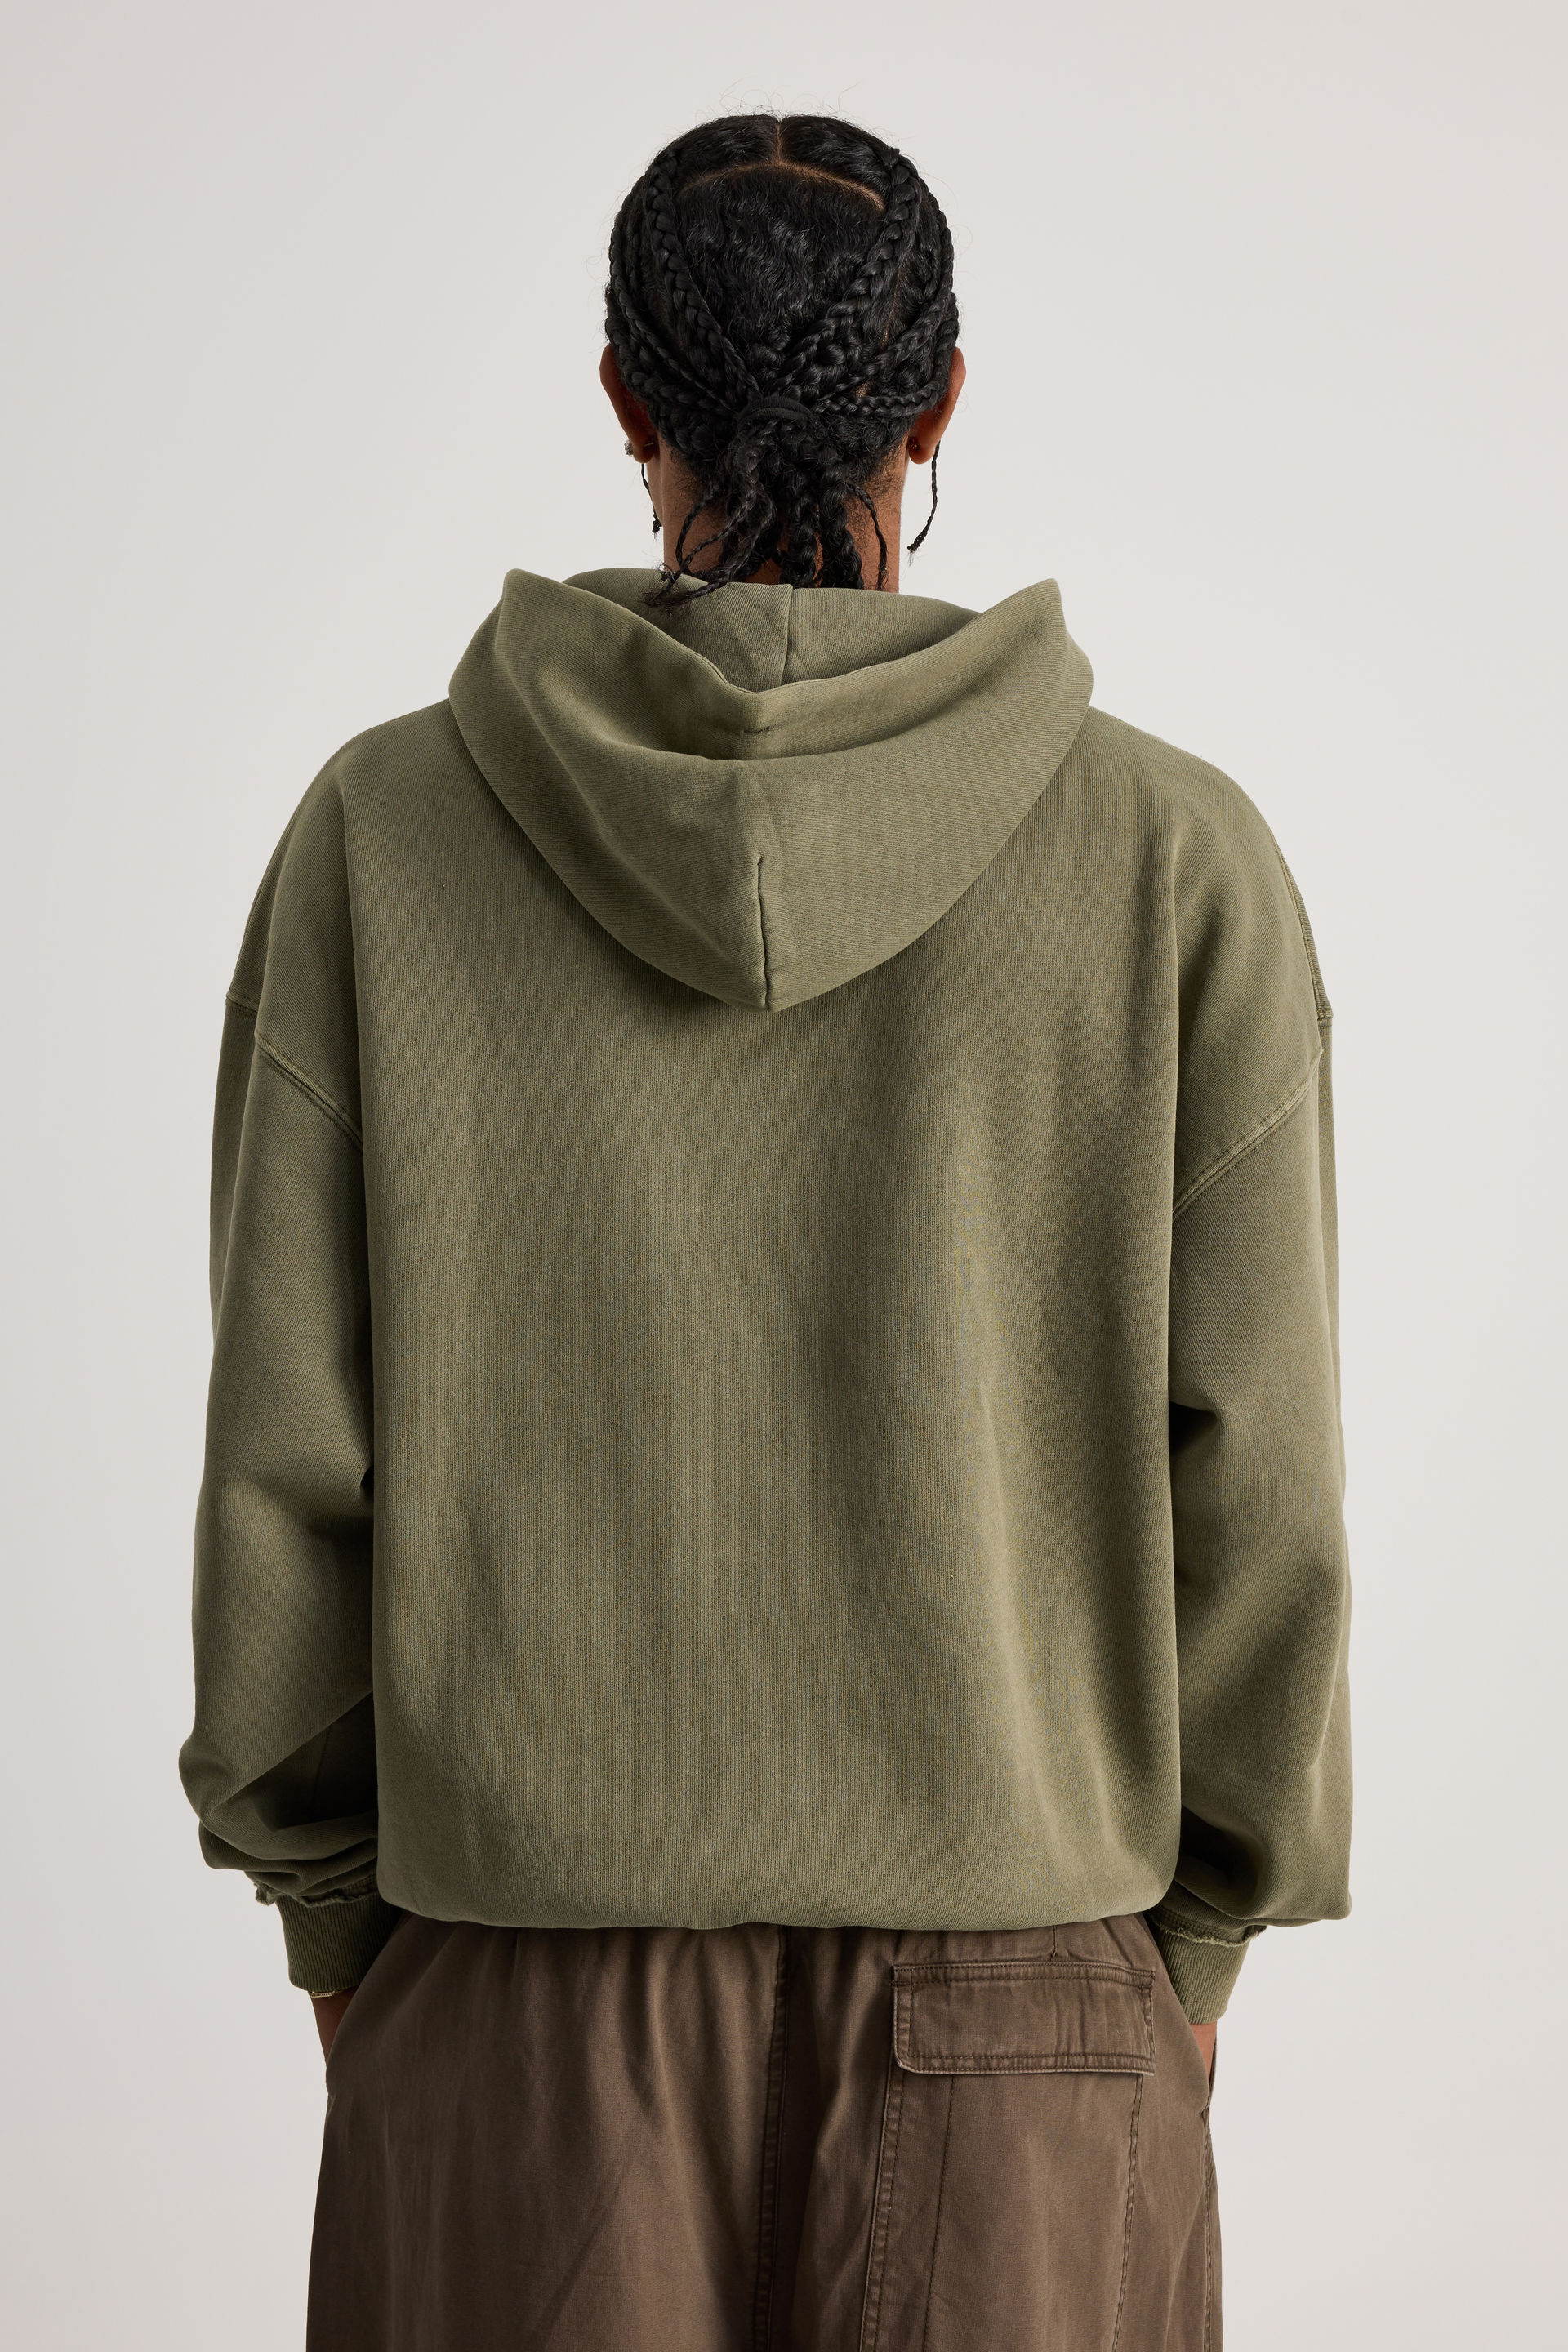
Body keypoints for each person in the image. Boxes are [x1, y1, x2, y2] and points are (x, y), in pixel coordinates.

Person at [181, 111, 1351, 2351]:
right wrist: (1197, 1946)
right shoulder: (1177, 864)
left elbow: (286, 1458)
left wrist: (340, 1921)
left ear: (625, 400)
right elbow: (1265, 1488)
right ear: (942, 401)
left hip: (523, 2013)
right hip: (1036, 2018)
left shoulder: (383, 840)